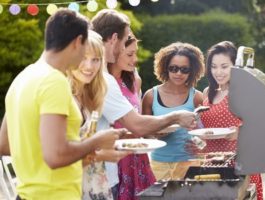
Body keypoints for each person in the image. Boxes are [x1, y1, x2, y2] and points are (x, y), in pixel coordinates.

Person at [0, 9, 126, 200]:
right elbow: (56, 156)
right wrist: (97, 140)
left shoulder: (24, 76)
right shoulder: (54, 81)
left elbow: (5, 145)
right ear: (78, 42)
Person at [91, 9, 197, 199]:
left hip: (112, 167)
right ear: (114, 39)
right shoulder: (102, 79)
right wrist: (175, 116)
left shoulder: (101, 77)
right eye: (125, 45)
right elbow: (137, 123)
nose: (125, 51)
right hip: (103, 171)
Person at [67, 30, 131, 200]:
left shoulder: (89, 94)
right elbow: (58, 157)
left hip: (93, 185)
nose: (89, 66)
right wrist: (102, 154)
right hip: (71, 189)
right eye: (83, 58)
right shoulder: (62, 95)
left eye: (95, 60)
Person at [200, 41, 263, 200]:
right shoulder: (208, 92)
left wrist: (239, 133)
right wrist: (198, 143)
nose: (218, 72)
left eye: (224, 66)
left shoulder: (243, 92)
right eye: (214, 66)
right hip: (212, 165)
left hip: (240, 166)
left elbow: (261, 127)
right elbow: (207, 127)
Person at [141, 42, 205, 180]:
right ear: (165, 68)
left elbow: (204, 132)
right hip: (158, 164)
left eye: (184, 69)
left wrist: (200, 144)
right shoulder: (151, 96)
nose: (178, 73)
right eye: (173, 68)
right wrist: (155, 135)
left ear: (192, 70)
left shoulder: (197, 97)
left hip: (190, 162)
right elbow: (144, 132)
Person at [108, 35, 156, 200]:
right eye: (130, 54)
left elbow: (138, 119)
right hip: (112, 159)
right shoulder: (100, 82)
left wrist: (156, 129)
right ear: (115, 51)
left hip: (136, 158)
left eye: (136, 53)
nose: (135, 59)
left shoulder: (135, 81)